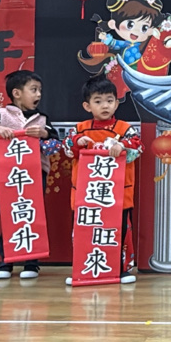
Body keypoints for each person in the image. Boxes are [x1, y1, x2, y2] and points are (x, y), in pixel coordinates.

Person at [0, 70, 58, 281]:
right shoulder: (0, 116)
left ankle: (32, 263)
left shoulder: (42, 119)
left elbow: (55, 143)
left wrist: (44, 134)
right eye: (34, 90)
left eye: (40, 90)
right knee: (9, 216)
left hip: (35, 175)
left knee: (32, 216)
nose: (38, 94)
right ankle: (7, 262)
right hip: (9, 176)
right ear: (17, 93)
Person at [64, 74, 143, 286]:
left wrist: (123, 146)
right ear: (87, 106)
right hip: (86, 195)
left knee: (117, 231)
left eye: (109, 100)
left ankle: (120, 270)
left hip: (117, 194)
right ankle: (82, 270)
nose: (105, 106)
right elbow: (67, 149)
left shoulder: (124, 129)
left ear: (116, 103)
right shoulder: (79, 129)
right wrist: (77, 142)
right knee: (83, 231)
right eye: (98, 101)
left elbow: (138, 147)